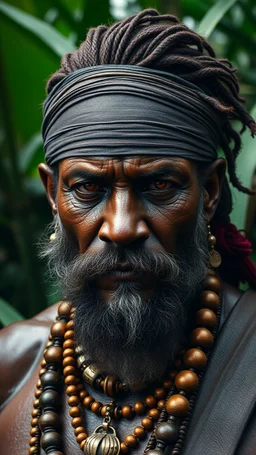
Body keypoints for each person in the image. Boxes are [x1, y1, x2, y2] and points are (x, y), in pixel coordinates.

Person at [1, 8, 256, 455]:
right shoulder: (13, 364)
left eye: (159, 185)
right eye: (88, 188)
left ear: (210, 191)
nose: (121, 227)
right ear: (52, 192)